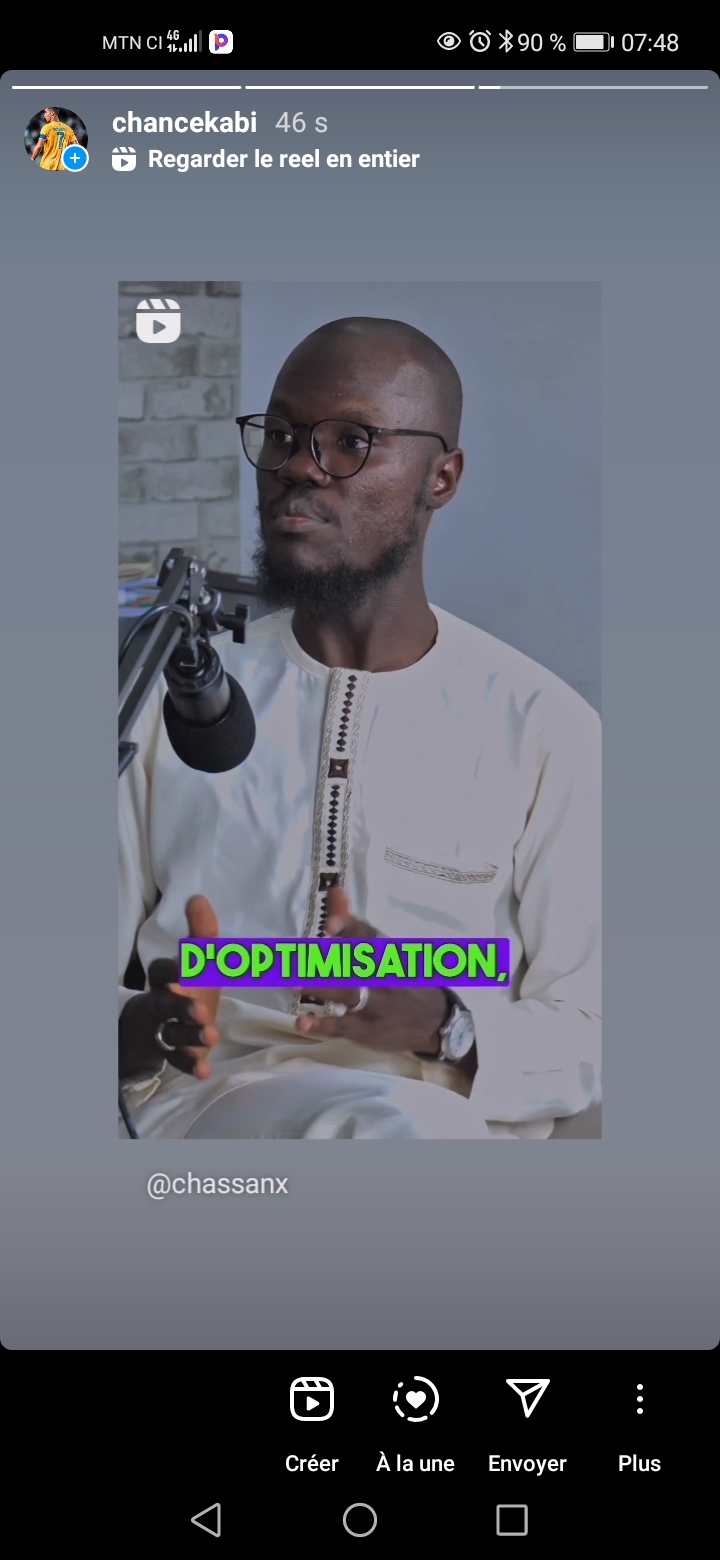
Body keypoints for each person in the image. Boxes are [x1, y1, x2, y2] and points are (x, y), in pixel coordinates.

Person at [119, 316, 601, 1139]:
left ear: (441, 478)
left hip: (446, 1119)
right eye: (281, 436)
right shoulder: (166, 692)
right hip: (208, 1106)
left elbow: (590, 1028)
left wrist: (444, 1024)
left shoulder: (545, 728)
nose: (300, 466)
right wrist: (139, 1028)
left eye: (351, 441)